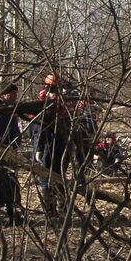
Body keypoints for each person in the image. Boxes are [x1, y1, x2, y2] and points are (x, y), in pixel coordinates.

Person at [33, 73, 76, 218]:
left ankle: (56, 209)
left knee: (51, 175)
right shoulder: (64, 100)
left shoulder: (52, 100)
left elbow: (39, 125)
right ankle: (55, 209)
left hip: (53, 142)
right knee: (56, 175)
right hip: (55, 143)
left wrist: (38, 147)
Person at [0, 84, 24, 225]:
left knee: (11, 180)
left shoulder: (10, 111)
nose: (15, 97)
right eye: (12, 94)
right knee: (2, 181)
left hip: (10, 150)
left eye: (15, 94)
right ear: (5, 95)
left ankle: (13, 211)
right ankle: (3, 212)